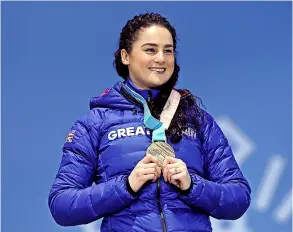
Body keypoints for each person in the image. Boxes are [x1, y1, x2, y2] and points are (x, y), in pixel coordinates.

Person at [48, 12, 251, 232]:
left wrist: (193, 185)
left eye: (168, 50)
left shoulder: (199, 121)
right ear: (126, 56)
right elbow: (62, 204)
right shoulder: (95, 123)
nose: (161, 59)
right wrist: (126, 185)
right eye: (150, 50)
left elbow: (238, 197)